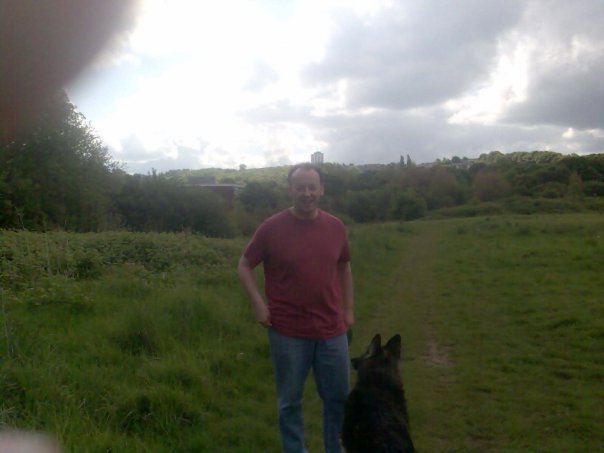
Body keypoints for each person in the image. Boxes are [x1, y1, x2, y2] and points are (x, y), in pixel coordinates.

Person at [238, 163, 354, 453]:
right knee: (289, 403)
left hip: (332, 330)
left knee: (338, 400)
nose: (307, 193)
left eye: (312, 187)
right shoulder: (271, 228)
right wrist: (258, 305)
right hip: (287, 332)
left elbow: (344, 265)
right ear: (290, 190)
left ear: (321, 189)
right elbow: (244, 265)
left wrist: (348, 309)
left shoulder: (335, 226)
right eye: (300, 187)